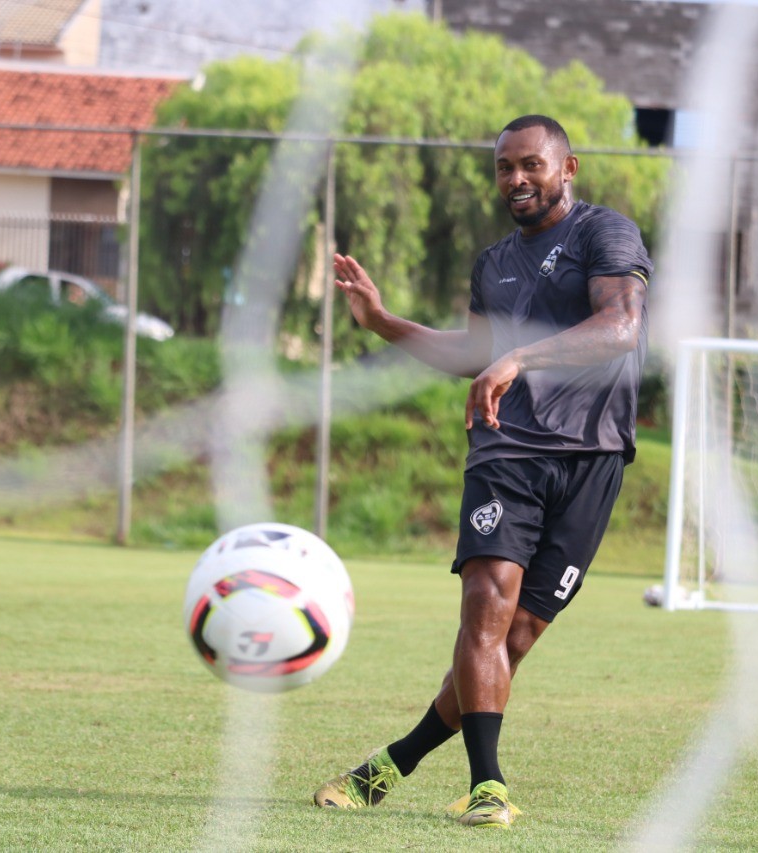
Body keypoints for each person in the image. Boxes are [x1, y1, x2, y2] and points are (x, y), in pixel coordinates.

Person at [312, 115, 652, 828]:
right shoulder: (494, 262)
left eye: (531, 164)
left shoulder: (605, 234)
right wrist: (383, 323)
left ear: (569, 168)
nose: (517, 179)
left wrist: (520, 357)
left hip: (593, 458)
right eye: (504, 167)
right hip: (508, 450)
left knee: (518, 635)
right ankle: (487, 784)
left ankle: (391, 764)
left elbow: (621, 326)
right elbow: (473, 352)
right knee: (487, 609)